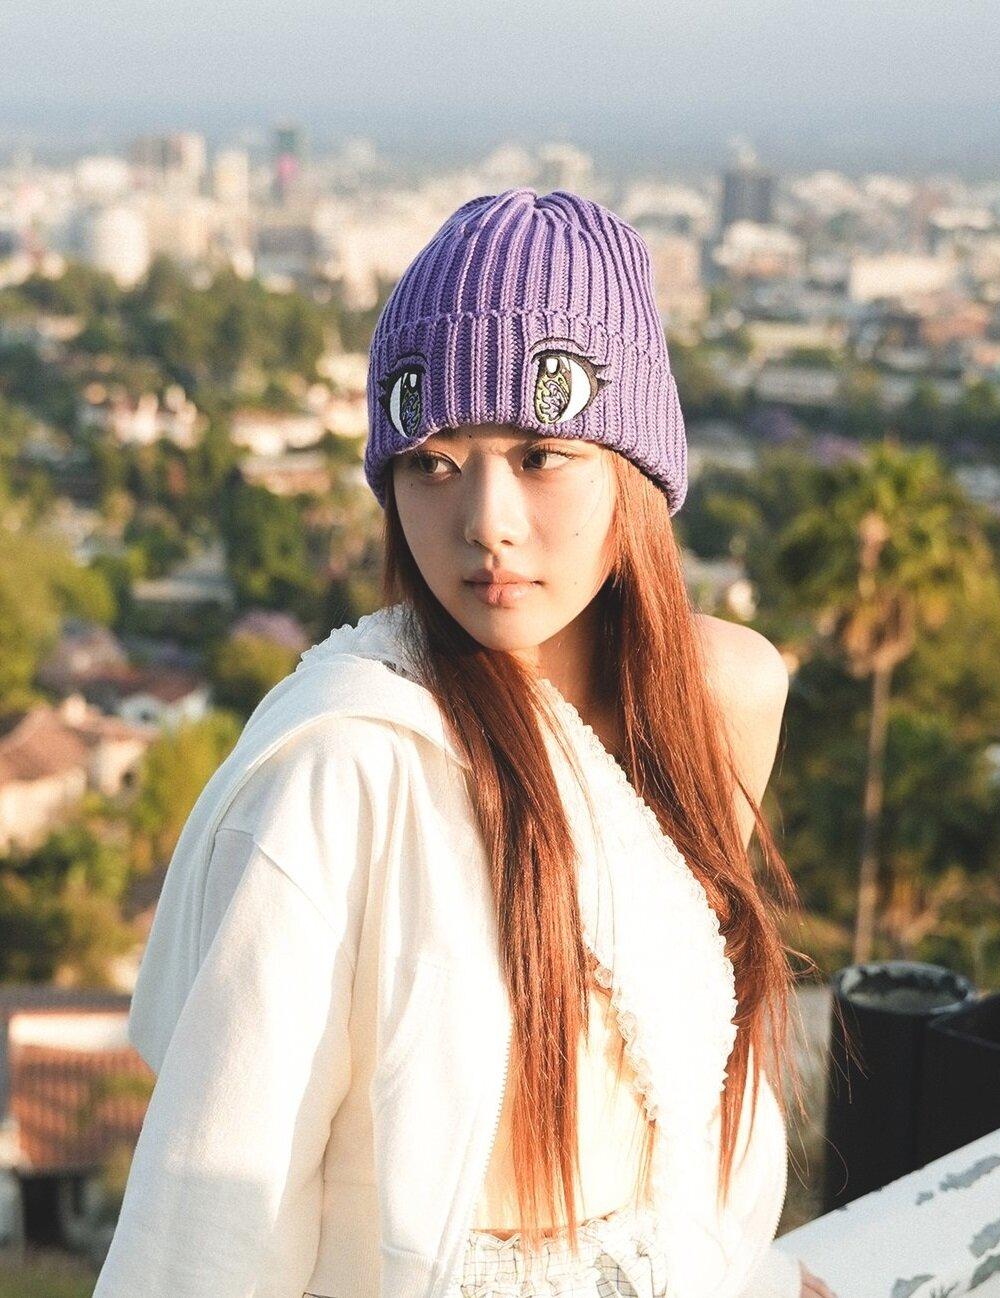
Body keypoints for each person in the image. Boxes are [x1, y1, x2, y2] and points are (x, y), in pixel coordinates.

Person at [93, 187, 835, 1298]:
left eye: (541, 454)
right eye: (432, 462)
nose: (484, 519)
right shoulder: (351, 759)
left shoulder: (719, 695)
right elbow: (215, 1210)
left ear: (633, 468)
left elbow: (676, 1105)